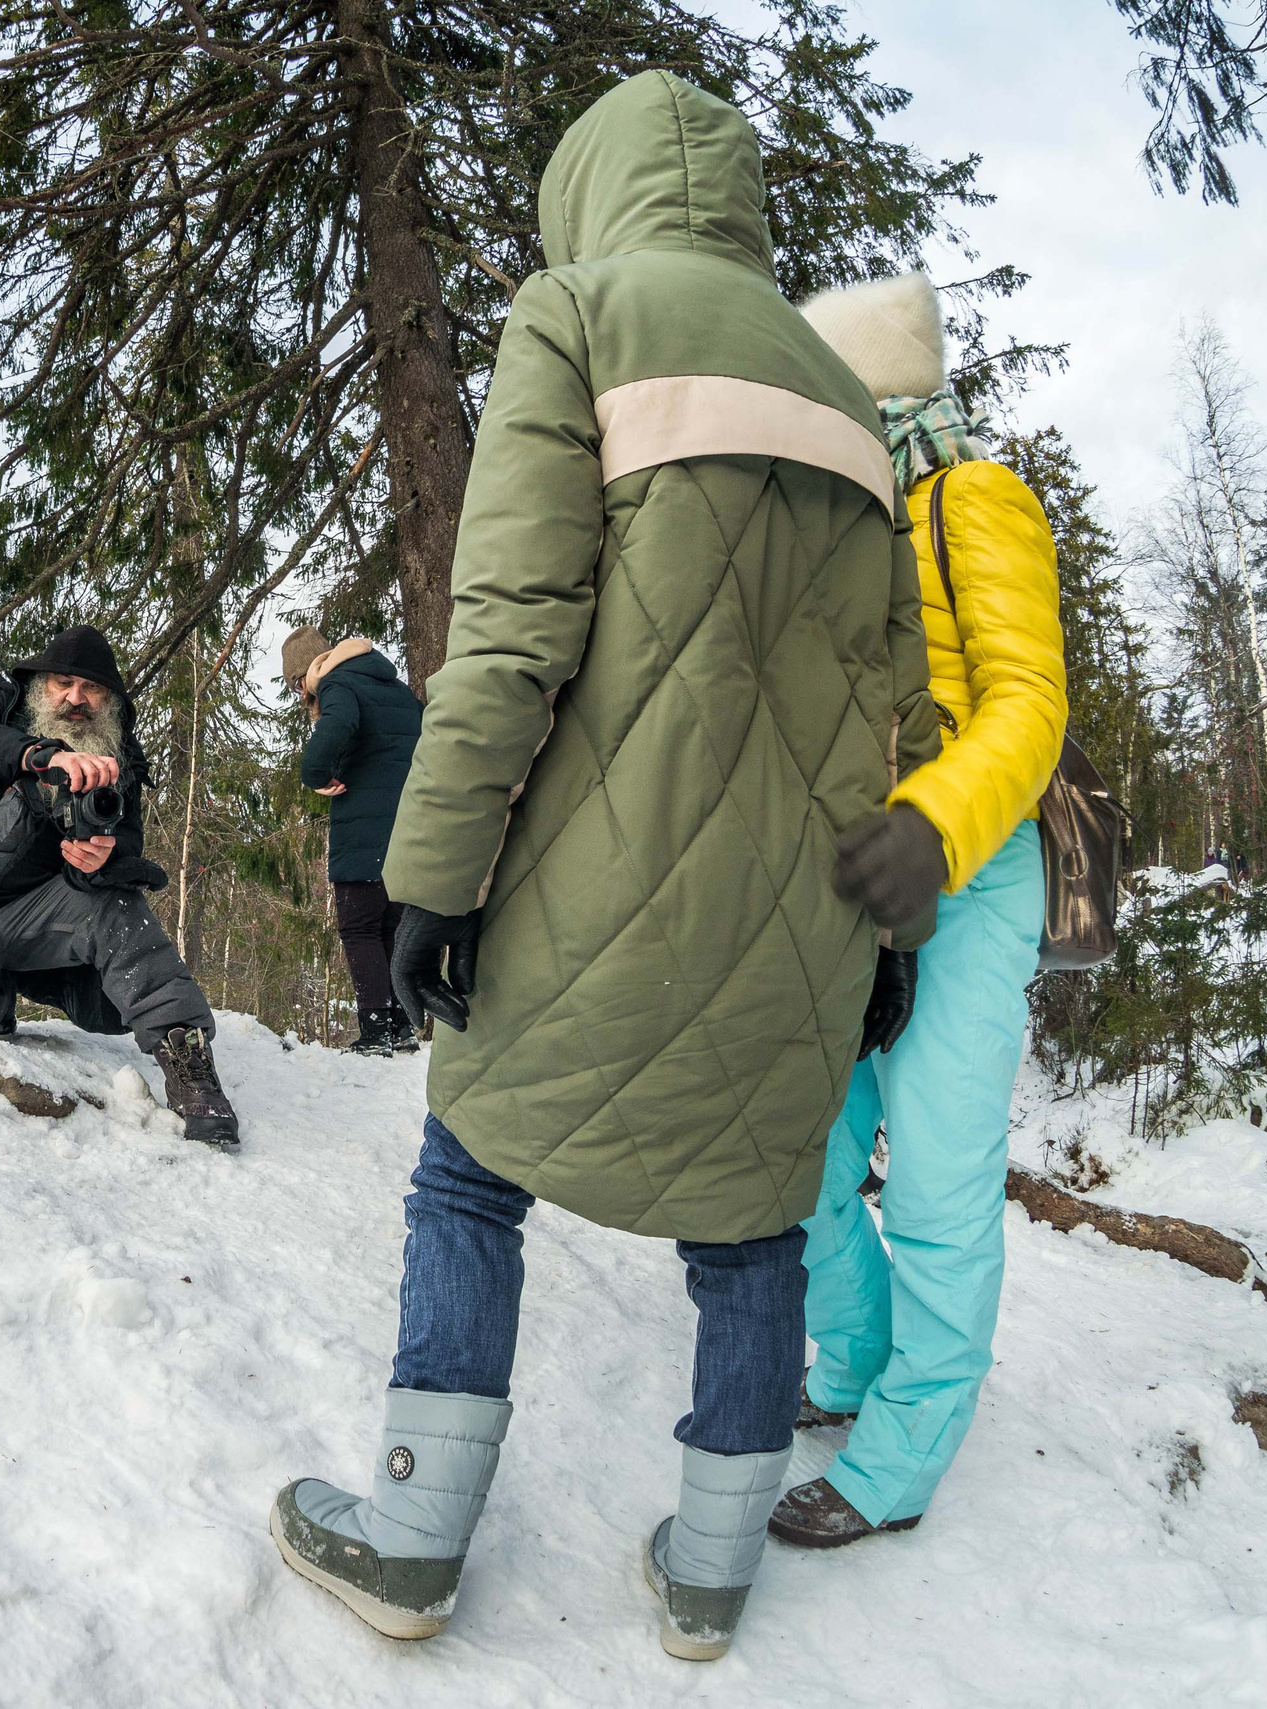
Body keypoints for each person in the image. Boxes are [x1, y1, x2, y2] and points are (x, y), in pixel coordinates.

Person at [268, 71, 940, 1662]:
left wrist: (434, 872)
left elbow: (510, 633)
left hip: (588, 880)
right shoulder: (850, 398)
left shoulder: (576, 312)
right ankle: (711, 1573)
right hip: (799, 913)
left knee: (466, 1168)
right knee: (755, 1220)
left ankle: (415, 1536)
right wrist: (883, 936)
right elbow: (885, 697)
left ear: (597, 189)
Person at [771, 273, 1068, 1551]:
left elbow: (1027, 704)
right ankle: (853, 1362)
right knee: (813, 1155)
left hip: (967, 864)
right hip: (848, 880)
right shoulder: (832, 521)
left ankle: (901, 1451)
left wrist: (935, 826)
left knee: (938, 1174)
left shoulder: (971, 498)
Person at [0, 626, 243, 1149]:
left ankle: (189, 1063)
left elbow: (128, 838)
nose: (76, 698)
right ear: (40, 685)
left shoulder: (120, 755)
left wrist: (106, 856)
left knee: (116, 900)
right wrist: (46, 758)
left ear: (108, 698)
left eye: (91, 688)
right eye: (63, 683)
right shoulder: (2, 710)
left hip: (41, 920)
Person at [283, 626, 423, 1056]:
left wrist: (315, 774)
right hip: (411, 826)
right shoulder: (393, 686)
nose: (301, 694)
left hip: (366, 825)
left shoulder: (336, 684)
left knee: (359, 927)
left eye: (296, 684)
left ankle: (376, 1031)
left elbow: (339, 724)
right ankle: (401, 1027)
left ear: (302, 674)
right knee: (392, 927)